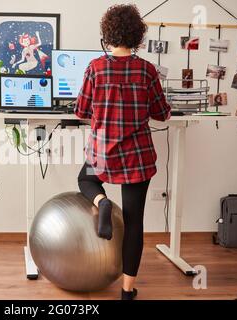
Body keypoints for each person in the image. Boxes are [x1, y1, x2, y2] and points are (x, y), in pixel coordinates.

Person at [75, 4, 171, 301]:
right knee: (134, 222)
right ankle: (127, 292)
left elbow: (80, 111)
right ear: (137, 37)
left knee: (85, 181)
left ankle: (101, 201)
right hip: (137, 158)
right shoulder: (147, 70)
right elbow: (161, 113)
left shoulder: (95, 68)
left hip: (102, 155)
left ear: (108, 35)